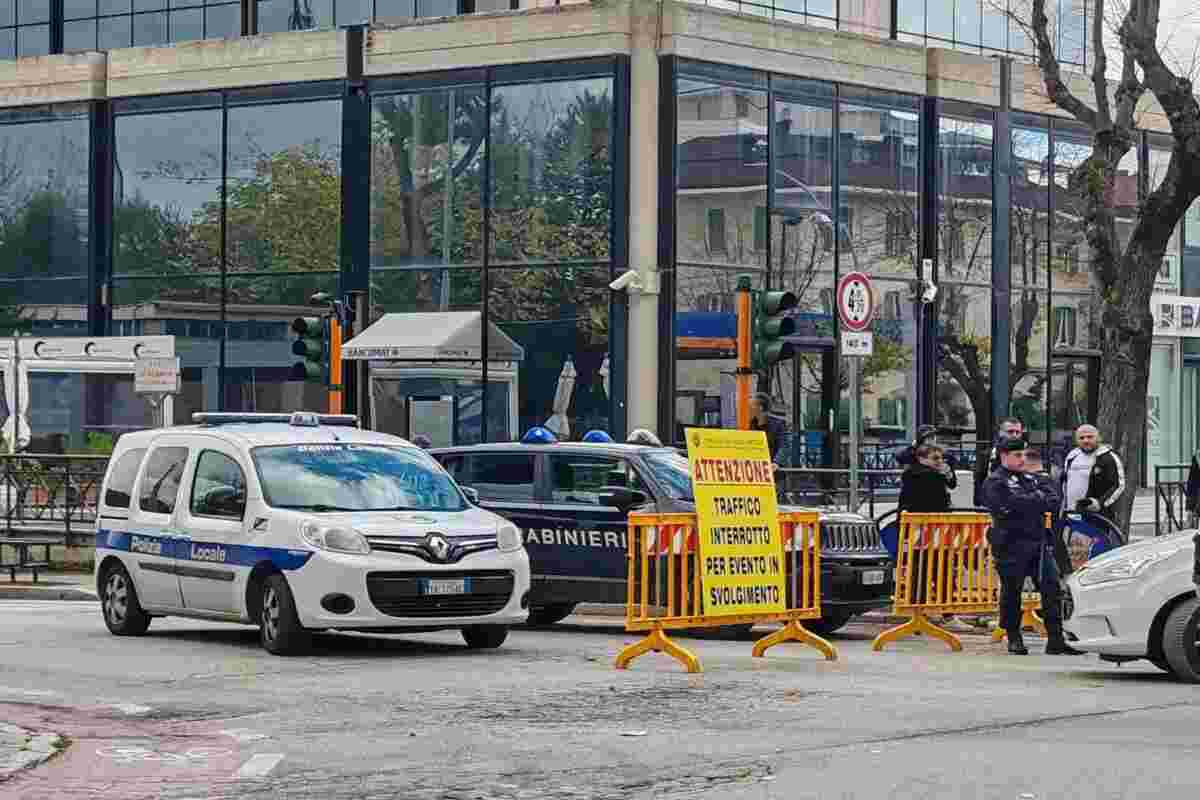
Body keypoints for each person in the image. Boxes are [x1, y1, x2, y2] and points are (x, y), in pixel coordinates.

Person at [980, 438, 1082, 656]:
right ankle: (1014, 637)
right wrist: (1033, 500)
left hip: (1038, 542)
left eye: (1024, 455)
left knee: (1051, 588)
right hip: (1010, 542)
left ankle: (1055, 638)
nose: (1022, 459)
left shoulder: (1029, 477)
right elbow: (1005, 505)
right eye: (1017, 455)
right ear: (1003, 456)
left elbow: (1053, 499)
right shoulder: (995, 481)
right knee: (1011, 592)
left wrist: (1029, 500)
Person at [1060, 424, 1125, 520]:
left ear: (1098, 438)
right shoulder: (1071, 456)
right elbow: (1065, 482)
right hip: (1071, 514)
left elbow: (1119, 485)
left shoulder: (1108, 457)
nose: (1085, 440)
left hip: (1097, 516)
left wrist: (1100, 503)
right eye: (1081, 438)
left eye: (1090, 437)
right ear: (1076, 440)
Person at [973, 416, 1024, 506]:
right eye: (1010, 432)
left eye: (1018, 432)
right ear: (1000, 433)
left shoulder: (1027, 457)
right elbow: (979, 485)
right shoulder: (985, 456)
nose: (1014, 435)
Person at [898, 443, 954, 513]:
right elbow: (942, 505)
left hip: (908, 520)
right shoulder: (935, 476)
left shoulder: (908, 473)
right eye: (935, 458)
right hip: (930, 520)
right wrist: (946, 474)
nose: (940, 461)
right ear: (921, 459)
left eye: (942, 458)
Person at [749, 392, 788, 468]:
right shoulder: (750, 424)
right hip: (755, 469)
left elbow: (783, 446)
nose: (749, 408)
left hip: (772, 470)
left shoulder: (777, 424)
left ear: (760, 408)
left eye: (751, 406)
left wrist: (776, 462)